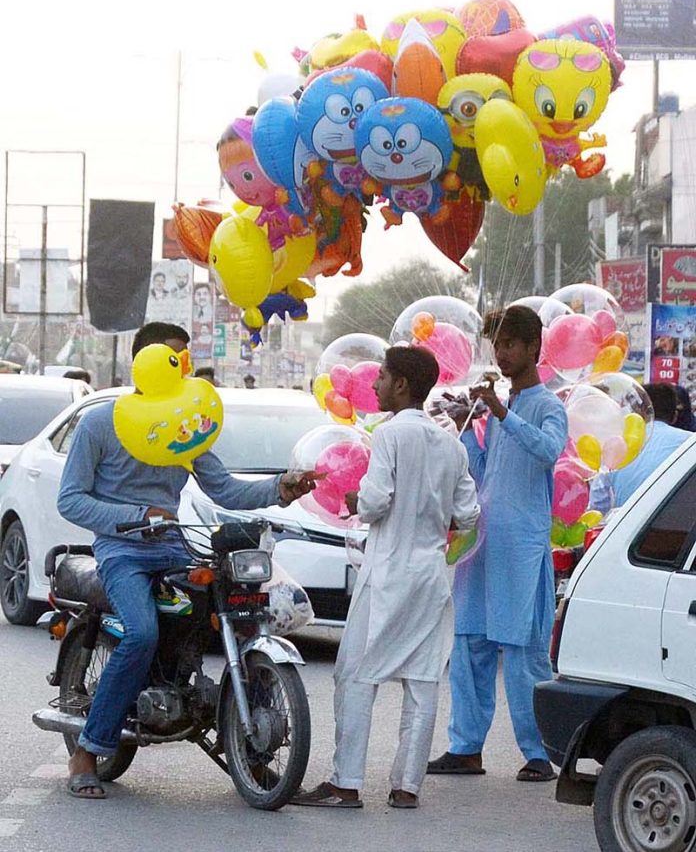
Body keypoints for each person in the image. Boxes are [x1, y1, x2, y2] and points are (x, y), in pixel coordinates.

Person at [56, 321, 320, 800]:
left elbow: (224, 488)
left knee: (237, 616)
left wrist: (280, 488)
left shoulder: (186, 427)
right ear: (143, 363)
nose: (181, 368)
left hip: (174, 547)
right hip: (122, 553)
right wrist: (138, 514)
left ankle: (247, 750)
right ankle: (88, 751)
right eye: (171, 358)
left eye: (184, 359)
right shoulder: (100, 423)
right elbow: (71, 501)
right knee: (141, 633)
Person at [292, 346, 480, 810]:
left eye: (381, 378)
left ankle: (345, 782)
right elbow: (469, 513)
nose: (373, 386)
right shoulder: (451, 445)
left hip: (389, 571)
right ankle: (406, 786)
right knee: (421, 681)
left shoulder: (390, 435)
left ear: (401, 385)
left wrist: (356, 500)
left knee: (355, 674)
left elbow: (375, 502)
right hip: (432, 576)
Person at [428, 305, 568, 783]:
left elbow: (549, 451)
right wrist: (465, 426)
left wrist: (503, 413)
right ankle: (465, 748)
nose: (503, 354)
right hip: (484, 541)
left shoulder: (548, 406)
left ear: (534, 348)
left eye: (511, 344)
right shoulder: (498, 409)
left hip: (522, 546)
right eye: (498, 346)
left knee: (525, 651)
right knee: (470, 645)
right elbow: (484, 473)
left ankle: (539, 753)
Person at [591, 383, 693, 512]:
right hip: (679, 527)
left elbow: (598, 504)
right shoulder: (690, 444)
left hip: (627, 529)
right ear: (674, 416)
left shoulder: (615, 445)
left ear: (638, 412)